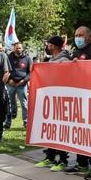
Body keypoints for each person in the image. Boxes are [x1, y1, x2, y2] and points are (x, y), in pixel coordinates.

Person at [66, 26, 91, 178]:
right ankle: (82, 164)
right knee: (80, 134)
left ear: (89, 37)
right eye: (76, 35)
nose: (78, 38)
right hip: (79, 99)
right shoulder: (76, 52)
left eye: (81, 35)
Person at [35, 36, 73, 171]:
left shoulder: (64, 60)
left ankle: (63, 160)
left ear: (55, 46)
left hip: (61, 101)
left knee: (61, 132)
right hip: (51, 100)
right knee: (51, 130)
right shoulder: (51, 60)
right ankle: (50, 157)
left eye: (49, 44)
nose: (47, 46)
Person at [5, 42, 32, 129]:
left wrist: (24, 80)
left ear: (22, 48)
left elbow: (31, 72)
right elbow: (5, 70)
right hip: (11, 84)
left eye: (20, 48)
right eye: (16, 48)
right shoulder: (8, 58)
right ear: (13, 49)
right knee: (9, 104)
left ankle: (26, 122)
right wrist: (9, 80)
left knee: (24, 104)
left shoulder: (28, 59)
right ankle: (7, 122)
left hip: (22, 84)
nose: (18, 49)